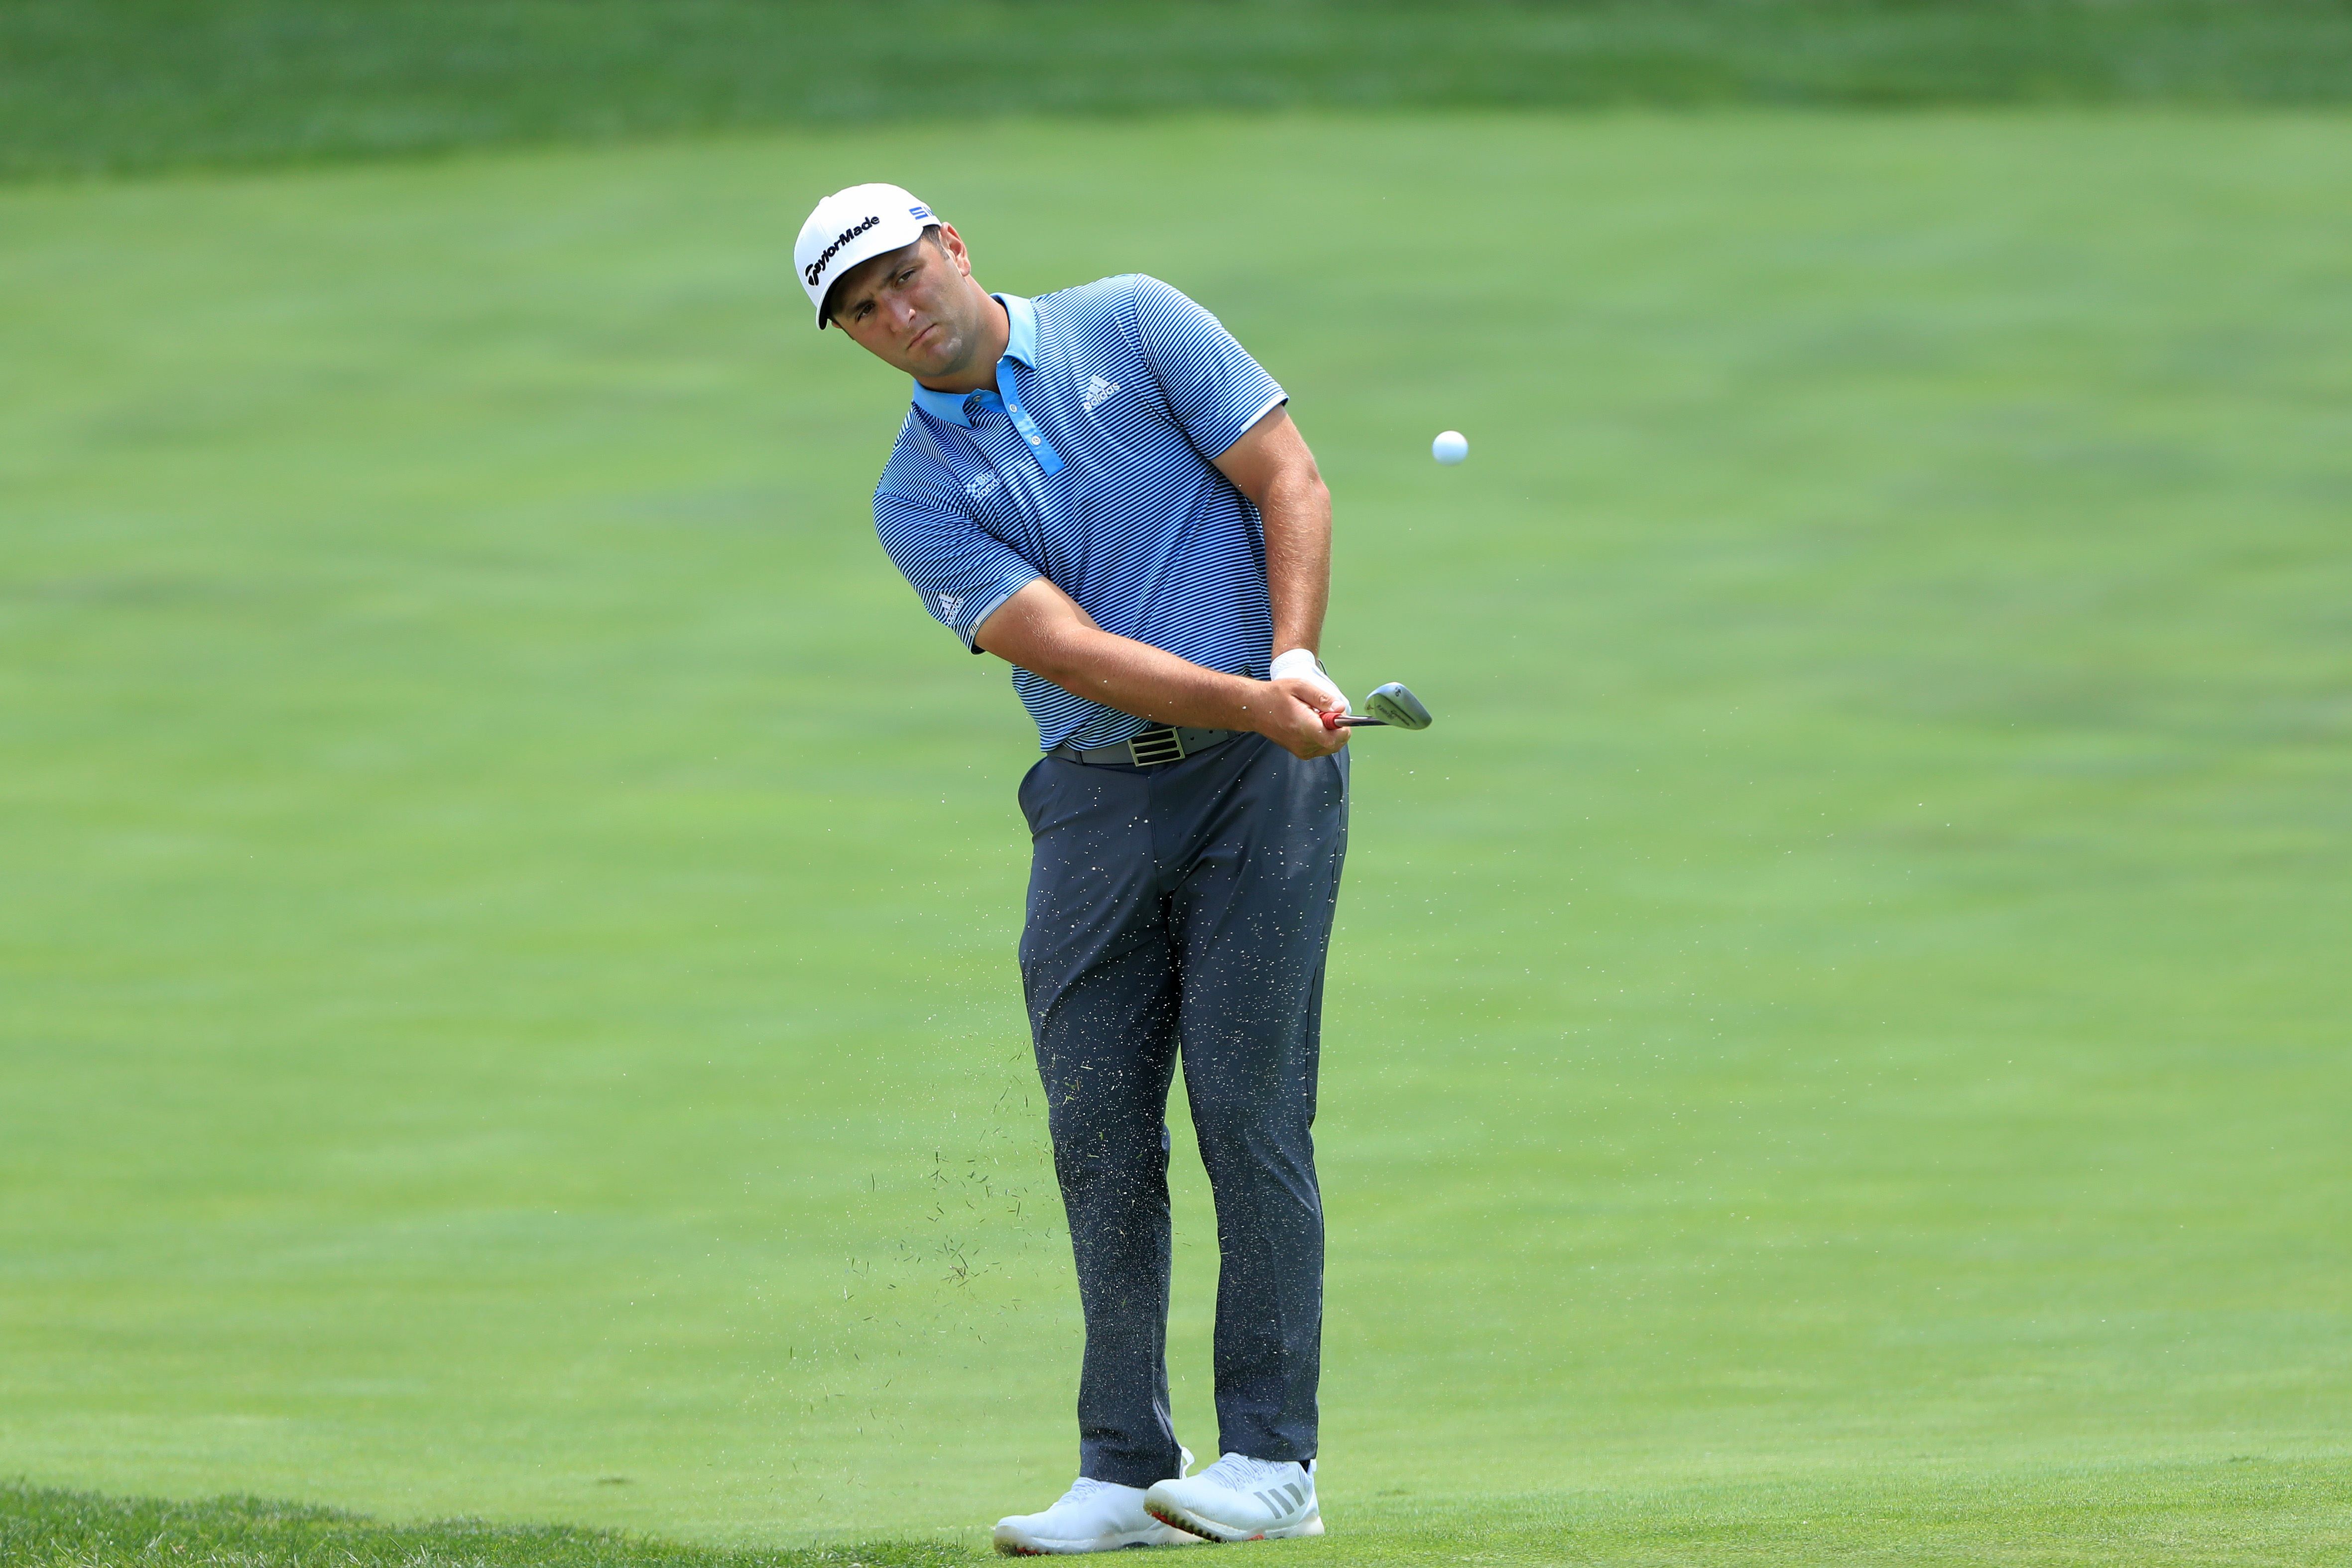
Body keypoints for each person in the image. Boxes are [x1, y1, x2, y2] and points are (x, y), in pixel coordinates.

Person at [796, 184, 1349, 1555]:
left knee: (1247, 1110)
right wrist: (1257, 700)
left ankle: (1273, 1459)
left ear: (952, 248)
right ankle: (1124, 1466)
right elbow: (1073, 655)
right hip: (1093, 800)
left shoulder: (1135, 322)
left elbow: (1287, 476)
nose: (896, 312)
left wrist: (1288, 659)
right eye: (860, 309)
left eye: (902, 274)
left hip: (1259, 785)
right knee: (1096, 1129)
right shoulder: (915, 497)